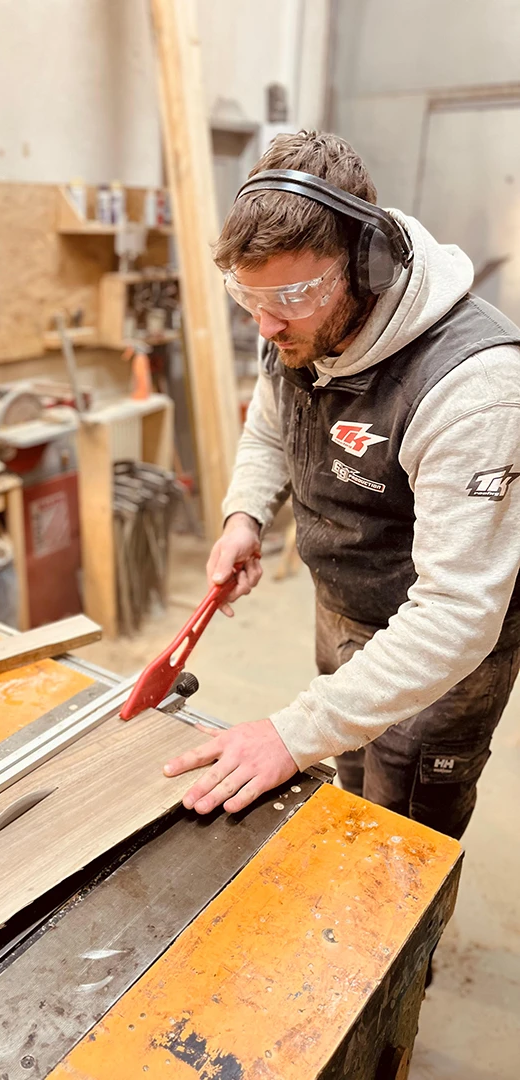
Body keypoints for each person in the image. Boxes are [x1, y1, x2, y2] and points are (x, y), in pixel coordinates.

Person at [164, 130, 520, 845]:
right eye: (248, 295)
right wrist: (244, 516)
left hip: (439, 653)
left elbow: (456, 613)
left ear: (368, 267)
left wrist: (291, 733)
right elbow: (270, 426)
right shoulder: (292, 325)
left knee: (400, 839)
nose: (266, 323)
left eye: (291, 295)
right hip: (342, 608)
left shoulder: (474, 388)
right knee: (349, 778)